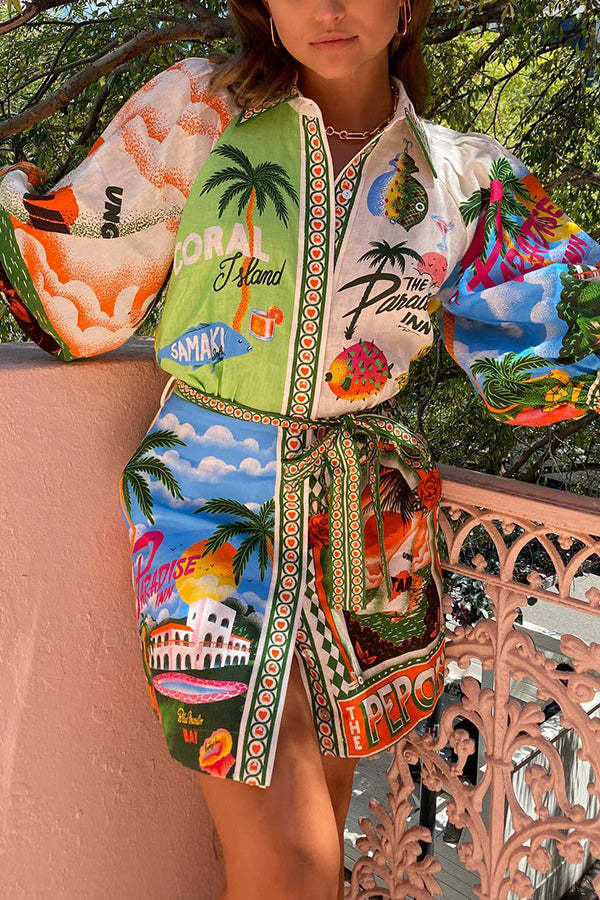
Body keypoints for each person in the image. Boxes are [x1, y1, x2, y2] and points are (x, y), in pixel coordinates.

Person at [1, 2, 599, 898]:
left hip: (368, 523)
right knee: (293, 859)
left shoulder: (462, 178)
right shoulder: (200, 111)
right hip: (206, 506)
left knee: (319, 833)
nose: (327, 8)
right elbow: (81, 267)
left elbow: (558, 332)